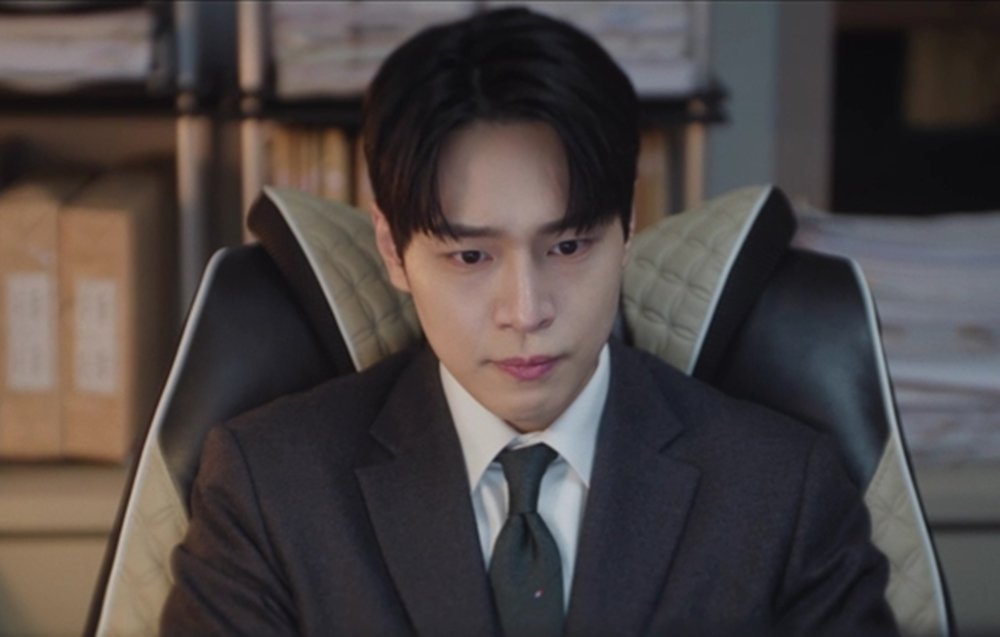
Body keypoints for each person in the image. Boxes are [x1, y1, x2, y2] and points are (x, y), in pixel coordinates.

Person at [161, 7, 898, 636]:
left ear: (627, 227)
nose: (526, 311)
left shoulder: (783, 491)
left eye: (569, 246)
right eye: (470, 256)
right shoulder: (271, 490)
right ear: (392, 249)